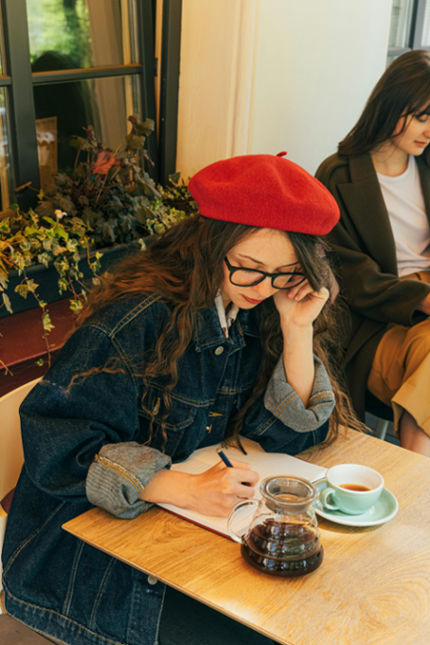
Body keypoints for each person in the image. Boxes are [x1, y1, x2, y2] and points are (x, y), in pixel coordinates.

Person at [2, 153, 356, 645]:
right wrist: (186, 491)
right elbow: (55, 448)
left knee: (316, 609)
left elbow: (288, 436)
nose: (266, 287)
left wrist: (298, 331)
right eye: (251, 268)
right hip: (81, 558)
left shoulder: (262, 306)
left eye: (287, 272)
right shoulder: (137, 319)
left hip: (181, 531)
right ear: (211, 245)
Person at [316, 49, 430, 456]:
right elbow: (347, 272)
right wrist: (422, 299)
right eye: (422, 116)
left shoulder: (427, 165)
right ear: (392, 106)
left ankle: (416, 495)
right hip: (376, 319)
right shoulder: (338, 174)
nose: (429, 131)